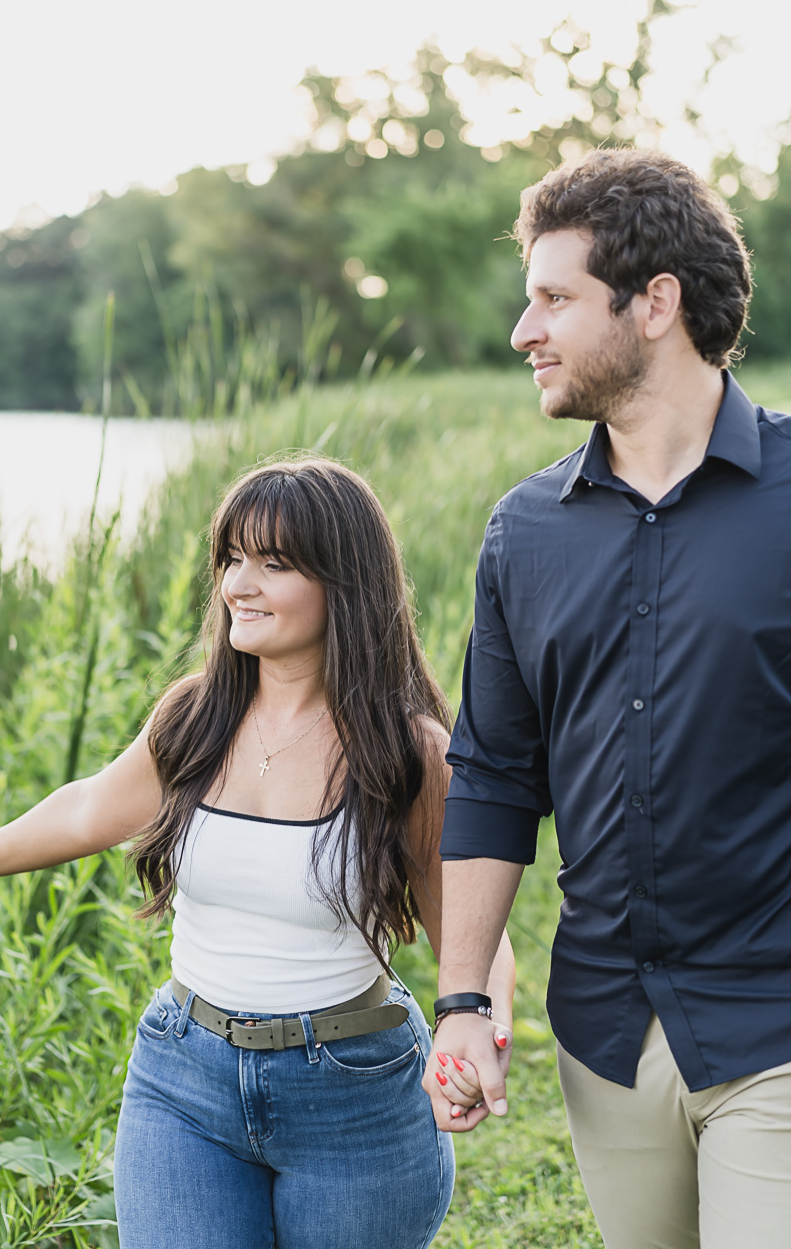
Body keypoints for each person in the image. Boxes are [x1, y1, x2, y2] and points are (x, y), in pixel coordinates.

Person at [0, 456, 515, 1249]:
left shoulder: (409, 751)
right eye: (232, 558)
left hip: (354, 1095)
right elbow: (87, 810)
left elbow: (478, 928)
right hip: (185, 1080)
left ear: (342, 583)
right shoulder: (197, 714)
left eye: (273, 563)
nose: (237, 585)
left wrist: (483, 1034)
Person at [422, 149, 791, 1249]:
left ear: (655, 305)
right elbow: (491, 775)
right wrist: (461, 1006)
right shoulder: (520, 532)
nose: (520, 332)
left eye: (552, 299)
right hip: (604, 1030)